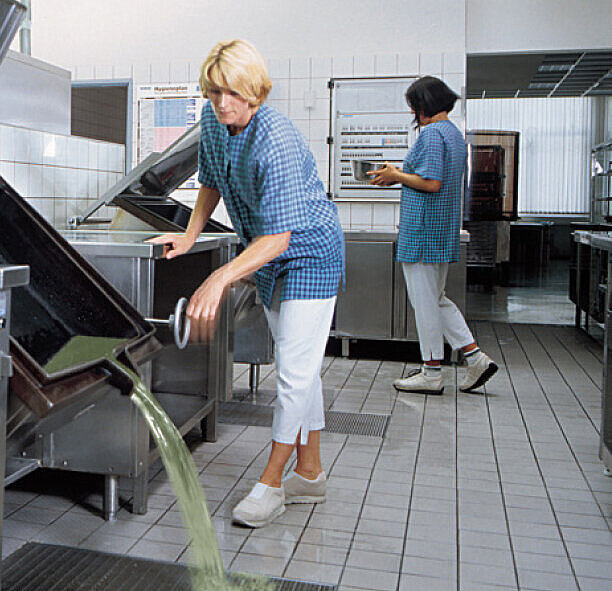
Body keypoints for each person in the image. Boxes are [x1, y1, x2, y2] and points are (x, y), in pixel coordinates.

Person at [149, 39, 344, 529]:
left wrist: (219, 278)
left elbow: (279, 237)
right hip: (271, 257)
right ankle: (311, 473)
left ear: (255, 90)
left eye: (232, 93)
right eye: (214, 92)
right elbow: (210, 183)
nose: (222, 103)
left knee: (294, 376)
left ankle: (273, 483)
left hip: (309, 256)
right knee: (299, 367)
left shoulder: (274, 136)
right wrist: (191, 236)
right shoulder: (216, 125)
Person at [368, 76, 499, 395]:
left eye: (413, 105)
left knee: (425, 303)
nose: (412, 111)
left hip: (423, 233)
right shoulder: (453, 134)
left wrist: (395, 174)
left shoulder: (431, 135)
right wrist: (398, 177)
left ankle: (431, 372)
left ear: (422, 105)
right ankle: (474, 358)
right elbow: (432, 180)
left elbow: (431, 183)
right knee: (436, 299)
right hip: (440, 230)